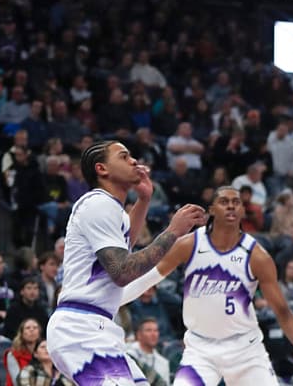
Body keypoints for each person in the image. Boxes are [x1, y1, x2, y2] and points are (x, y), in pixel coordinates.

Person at [118, 186, 293, 385]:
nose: (231, 206)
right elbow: (148, 279)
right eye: (224, 202)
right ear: (212, 210)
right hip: (200, 350)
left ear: (243, 211)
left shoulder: (257, 256)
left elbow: (282, 310)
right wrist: (107, 304)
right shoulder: (189, 245)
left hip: (245, 350)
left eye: (236, 202)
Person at [46, 140, 206, 384]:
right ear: (102, 169)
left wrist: (143, 200)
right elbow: (122, 270)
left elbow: (125, 247)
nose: (133, 161)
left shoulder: (111, 209)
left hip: (96, 328)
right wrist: (173, 231)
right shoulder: (98, 203)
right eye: (123, 156)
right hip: (80, 329)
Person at [126, 318, 170, 386]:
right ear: (139, 335)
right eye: (148, 330)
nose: (153, 334)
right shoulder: (127, 353)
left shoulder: (164, 363)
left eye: (156, 330)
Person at [4, 318, 41, 386]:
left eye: (35, 327)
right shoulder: (12, 355)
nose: (31, 330)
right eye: (28, 328)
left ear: (39, 332)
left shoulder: (44, 353)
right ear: (22, 333)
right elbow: (17, 381)